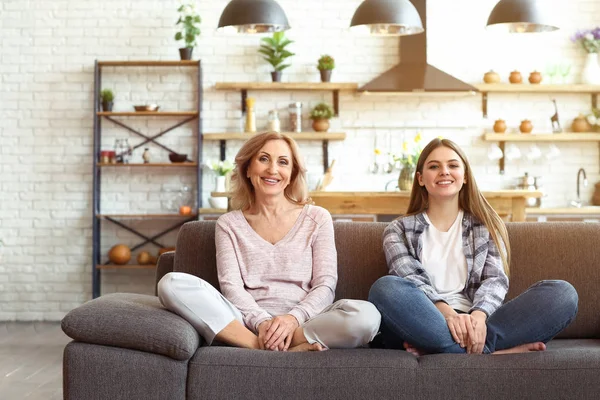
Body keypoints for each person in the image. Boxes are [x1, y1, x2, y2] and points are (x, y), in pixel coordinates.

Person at [158, 131, 381, 352]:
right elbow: (232, 288)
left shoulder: (317, 218)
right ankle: (261, 345)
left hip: (306, 322)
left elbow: (325, 285)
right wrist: (263, 323)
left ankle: (285, 340)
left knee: (367, 317)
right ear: (247, 168)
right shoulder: (228, 224)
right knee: (170, 283)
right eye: (263, 159)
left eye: (283, 162)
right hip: (247, 322)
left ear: (292, 173)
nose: (272, 169)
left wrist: (292, 319)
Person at [368, 138, 578, 355]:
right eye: (434, 166)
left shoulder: (487, 226)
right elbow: (411, 278)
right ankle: (492, 353)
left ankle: (453, 350)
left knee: (563, 294)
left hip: (480, 320)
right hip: (428, 319)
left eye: (453, 165)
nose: (444, 171)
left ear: (465, 176)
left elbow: (495, 280)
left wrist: (478, 318)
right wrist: (449, 315)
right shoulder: (398, 230)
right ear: (420, 178)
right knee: (385, 288)